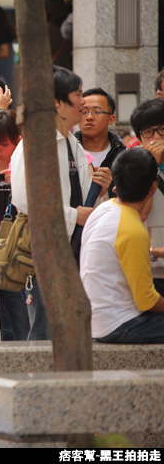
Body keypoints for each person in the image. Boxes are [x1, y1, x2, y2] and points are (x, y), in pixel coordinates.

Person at [10, 66, 112, 341]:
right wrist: (73, 216)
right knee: (44, 331)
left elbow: (80, 194)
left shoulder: (70, 141)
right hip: (46, 252)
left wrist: (100, 190)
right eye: (78, 95)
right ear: (56, 101)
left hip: (72, 250)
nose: (83, 103)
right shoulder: (35, 142)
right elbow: (22, 198)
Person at [80, 147, 164, 343]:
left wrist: (154, 252)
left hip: (96, 320)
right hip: (119, 324)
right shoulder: (132, 229)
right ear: (153, 187)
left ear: (116, 184)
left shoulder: (104, 209)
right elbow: (147, 300)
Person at [0, 109, 29, 341]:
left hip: (17, 255)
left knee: (18, 326)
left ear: (17, 140)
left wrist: (18, 181)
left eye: (4, 144)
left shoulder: (26, 165)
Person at [131, 98, 164, 296]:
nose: (156, 138)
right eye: (148, 132)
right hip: (151, 265)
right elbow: (140, 213)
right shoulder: (132, 166)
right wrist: (150, 166)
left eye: (162, 130)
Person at [75, 87, 125, 197]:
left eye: (97, 111)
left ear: (111, 119)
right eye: (84, 111)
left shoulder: (123, 157)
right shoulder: (69, 150)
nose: (89, 117)